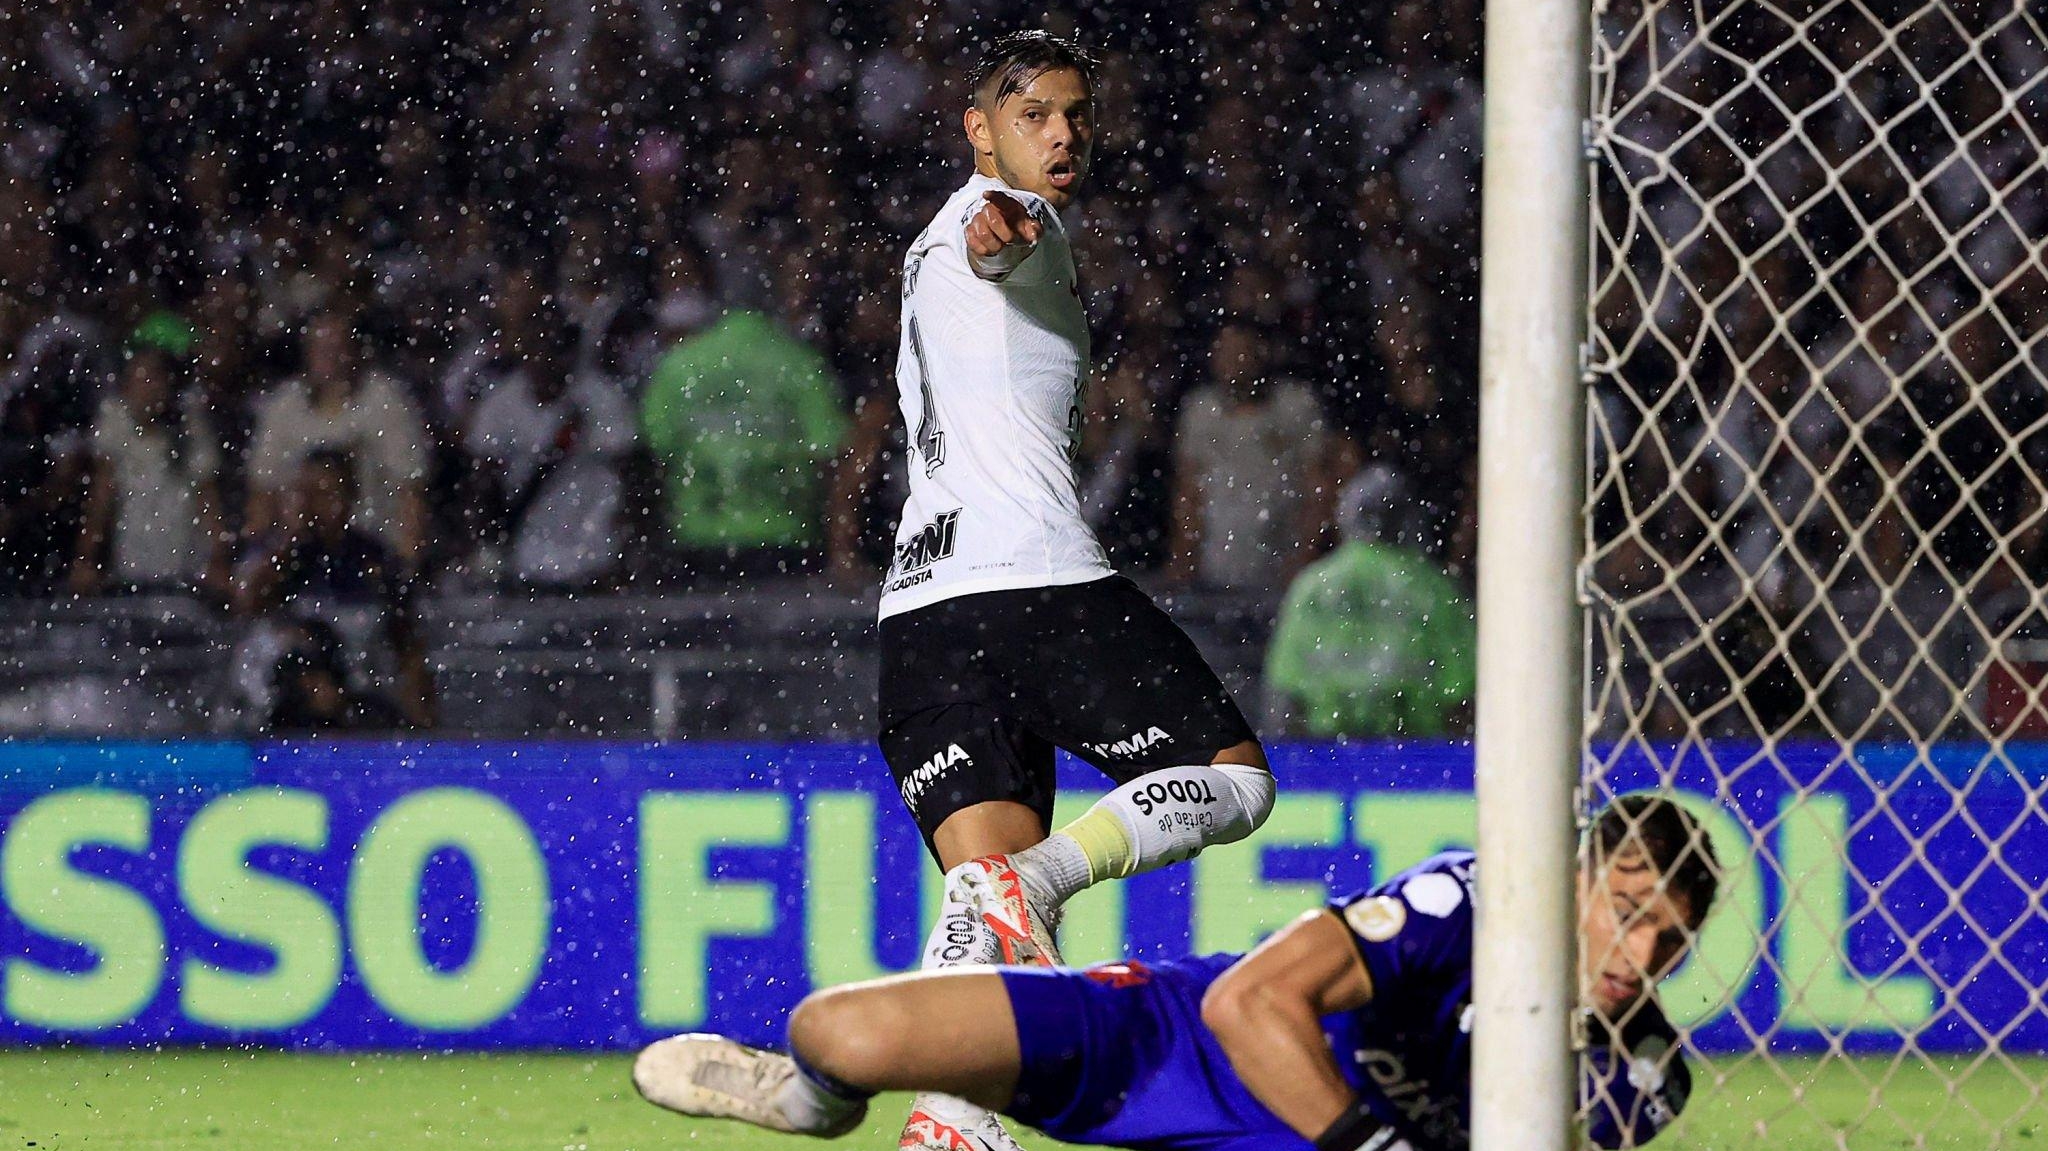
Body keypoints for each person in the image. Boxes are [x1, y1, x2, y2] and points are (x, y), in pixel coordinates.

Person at [871, 30, 1274, 1151]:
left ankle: (948, 1120)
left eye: (1074, 114)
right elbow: (1002, 237)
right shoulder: (1009, 221)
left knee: (977, 898)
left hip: (918, 617)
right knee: (1233, 780)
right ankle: (1040, 882)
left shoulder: (918, 251)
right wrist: (1007, 225)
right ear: (977, 129)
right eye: (1032, 112)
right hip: (1030, 581)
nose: (1060, 134)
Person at [634, 794, 1717, 1151]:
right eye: (1625, 915)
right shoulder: (1463, 901)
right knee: (843, 1033)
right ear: (1575, 880)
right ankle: (807, 1101)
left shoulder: (1642, 1078)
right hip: (1180, 1045)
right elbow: (1245, 1001)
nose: (1639, 957)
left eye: (1668, 941)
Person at [1263, 466, 1475, 738]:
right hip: (1417, 761)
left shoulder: (1313, 587)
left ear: (1347, 515)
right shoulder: (1435, 590)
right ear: (1409, 519)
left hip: (1326, 759)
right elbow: (1462, 695)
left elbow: (1284, 690)